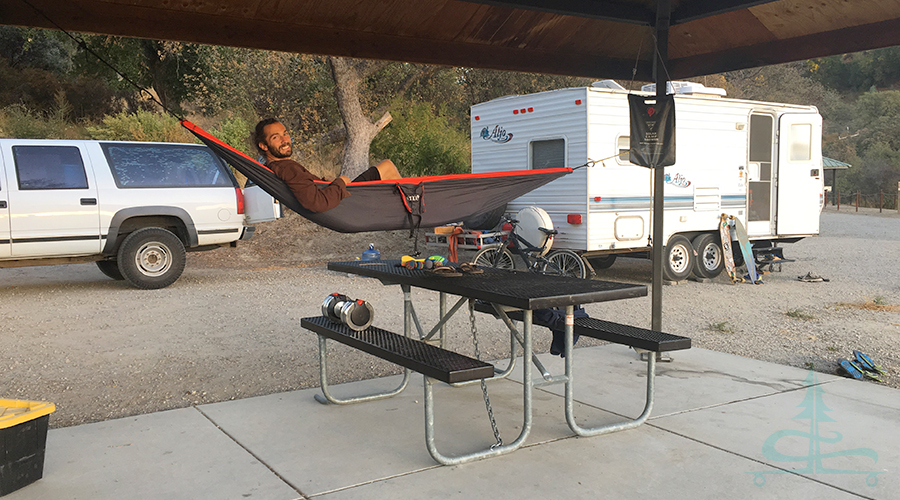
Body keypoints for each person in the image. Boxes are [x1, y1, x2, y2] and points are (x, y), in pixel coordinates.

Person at [254, 118, 401, 213]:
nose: (285, 140)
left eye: (285, 134)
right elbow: (317, 203)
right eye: (275, 137)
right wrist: (340, 182)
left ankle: (402, 208)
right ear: (264, 146)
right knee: (387, 167)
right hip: (343, 205)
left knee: (386, 168)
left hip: (338, 199)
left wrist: (325, 182)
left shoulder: (275, 167)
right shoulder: (287, 168)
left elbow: (307, 189)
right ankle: (411, 208)